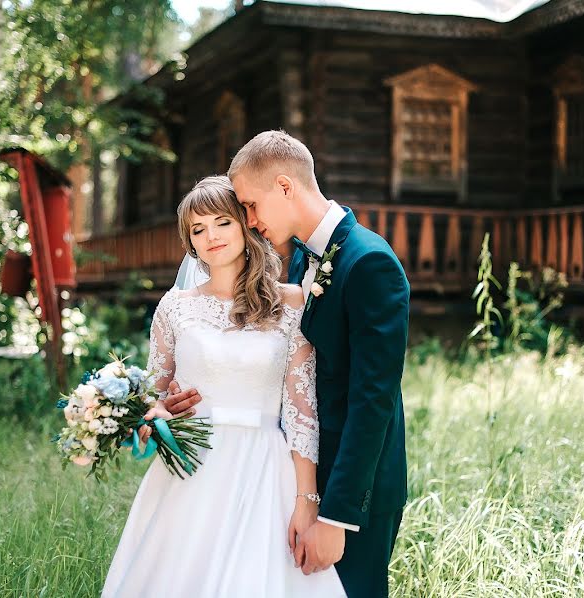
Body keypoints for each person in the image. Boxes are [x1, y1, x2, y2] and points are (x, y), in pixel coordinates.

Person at [164, 131, 410, 598]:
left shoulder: (370, 263)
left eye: (251, 206)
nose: (250, 222)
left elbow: (372, 401)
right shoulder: (298, 260)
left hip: (355, 492)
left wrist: (335, 517)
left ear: (284, 186)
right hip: (291, 478)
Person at [101, 176, 346, 597]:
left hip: (264, 468)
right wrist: (155, 415)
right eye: (198, 229)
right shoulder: (174, 308)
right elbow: (151, 402)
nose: (211, 236)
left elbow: (303, 414)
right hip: (191, 468)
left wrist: (307, 501)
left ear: (245, 226)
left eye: (222, 222)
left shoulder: (292, 304)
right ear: (189, 242)